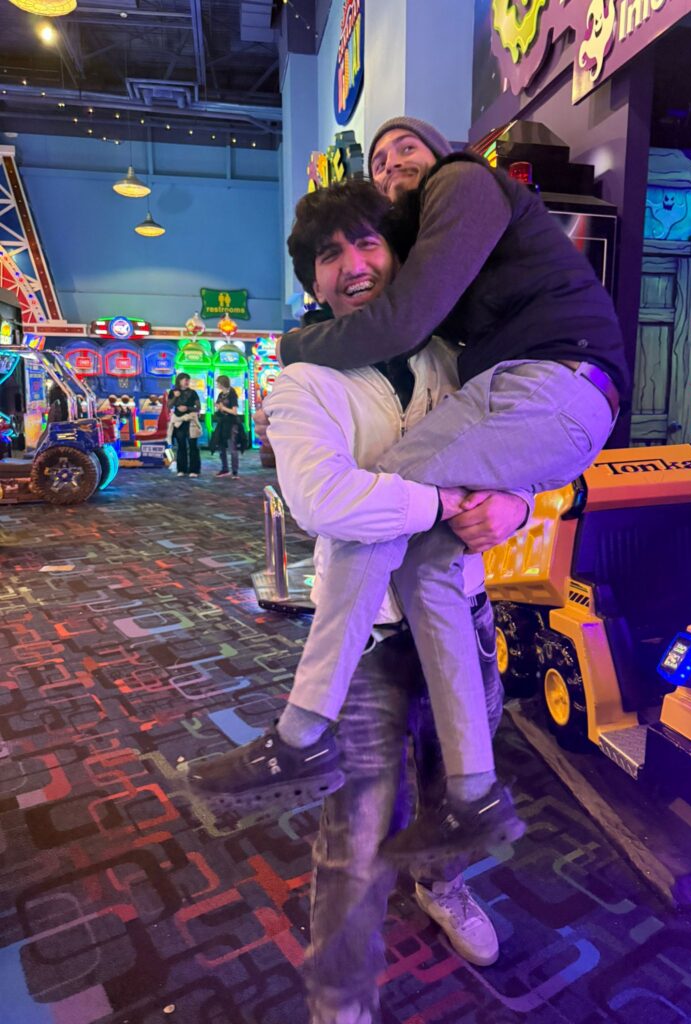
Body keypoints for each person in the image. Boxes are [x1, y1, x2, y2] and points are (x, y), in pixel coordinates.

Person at [194, 117, 629, 863]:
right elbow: (349, 491)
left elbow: (411, 334)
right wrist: (506, 499)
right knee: (425, 556)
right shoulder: (407, 349)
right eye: (379, 157)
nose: (393, 162)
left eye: (408, 149)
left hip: (553, 385)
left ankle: (300, 735)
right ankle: (474, 795)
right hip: (534, 408)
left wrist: (290, 341)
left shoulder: (461, 185)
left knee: (384, 495)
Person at [189, 183, 528, 1023]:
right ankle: (340, 1002)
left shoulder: (453, 355)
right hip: (367, 644)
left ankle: (443, 884)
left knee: (459, 789)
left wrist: (514, 503)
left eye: (368, 242)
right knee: (356, 838)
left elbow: (521, 445)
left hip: (464, 621)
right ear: (313, 279)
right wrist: (441, 502)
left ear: (399, 253)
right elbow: (323, 500)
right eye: (330, 254)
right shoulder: (304, 380)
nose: (354, 265)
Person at [167, 372, 202, 478]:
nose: (187, 382)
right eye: (185, 380)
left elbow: (198, 407)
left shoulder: (193, 392)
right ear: (179, 380)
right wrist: (175, 397)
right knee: (181, 445)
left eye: (188, 380)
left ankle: (194, 470)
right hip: (179, 422)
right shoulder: (173, 392)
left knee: (193, 446)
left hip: (191, 420)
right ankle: (181, 469)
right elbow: (169, 406)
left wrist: (187, 408)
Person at [212, 374, 243, 479]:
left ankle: (235, 472)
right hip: (222, 423)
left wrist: (223, 408)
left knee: (232, 447)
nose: (217, 385)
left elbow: (234, 411)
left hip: (231, 423)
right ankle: (224, 469)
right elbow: (219, 406)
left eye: (218, 383)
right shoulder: (221, 394)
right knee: (221, 447)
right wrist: (218, 407)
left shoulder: (232, 394)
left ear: (222, 383)